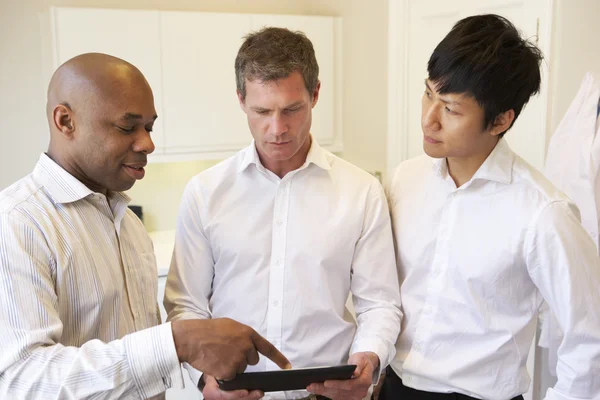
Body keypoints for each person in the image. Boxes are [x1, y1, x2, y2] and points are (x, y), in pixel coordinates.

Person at [0, 53, 290, 400]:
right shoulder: (17, 223)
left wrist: (205, 379)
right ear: (66, 122)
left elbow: (143, 360)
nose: (148, 143)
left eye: (149, 127)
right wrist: (178, 341)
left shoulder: (129, 225)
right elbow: (21, 381)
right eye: (127, 127)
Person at [164, 27, 402, 400]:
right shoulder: (205, 193)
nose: (277, 129)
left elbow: (380, 304)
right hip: (234, 392)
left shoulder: (362, 192)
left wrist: (369, 359)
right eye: (262, 111)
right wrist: (203, 378)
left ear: (315, 94)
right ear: (241, 100)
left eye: (292, 109)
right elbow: (185, 305)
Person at [381, 14, 600, 400]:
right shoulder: (404, 180)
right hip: (394, 387)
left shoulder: (544, 213)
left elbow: (588, 338)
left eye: (450, 109)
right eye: (428, 94)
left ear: (500, 120)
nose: (429, 119)